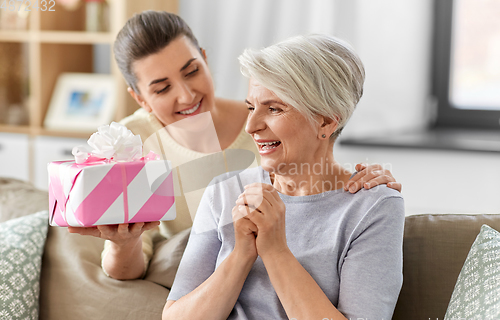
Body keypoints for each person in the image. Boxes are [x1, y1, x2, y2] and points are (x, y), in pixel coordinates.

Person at [68, 11, 402, 282]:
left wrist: (358, 183)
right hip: (194, 285)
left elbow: (315, 188)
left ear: (204, 59)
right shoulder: (130, 147)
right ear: (140, 98)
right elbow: (125, 271)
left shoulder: (266, 126)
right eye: (162, 88)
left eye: (192, 71)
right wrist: (123, 244)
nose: (186, 95)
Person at [162, 34, 404, 320]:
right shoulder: (224, 192)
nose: (251, 126)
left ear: (326, 122)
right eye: (251, 107)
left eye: (274, 109)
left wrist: (275, 251)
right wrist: (242, 254)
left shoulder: (372, 208)